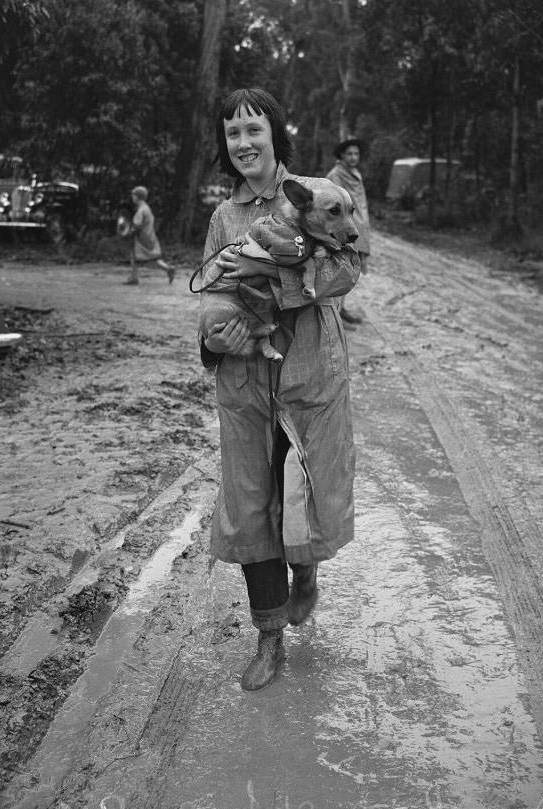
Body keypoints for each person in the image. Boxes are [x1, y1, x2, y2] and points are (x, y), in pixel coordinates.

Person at [198, 88, 361, 691]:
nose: (243, 143)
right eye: (232, 133)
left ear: (274, 136)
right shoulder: (224, 216)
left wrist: (284, 280)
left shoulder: (318, 195)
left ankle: (308, 571)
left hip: (309, 377)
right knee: (251, 503)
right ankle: (268, 639)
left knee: (304, 496)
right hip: (246, 380)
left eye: (254, 131)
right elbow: (213, 287)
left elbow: (346, 267)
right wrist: (216, 337)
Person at [326, 137, 370, 325]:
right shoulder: (335, 176)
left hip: (360, 226)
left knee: (351, 270)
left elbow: (361, 204)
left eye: (356, 153)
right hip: (344, 229)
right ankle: (334, 316)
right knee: (340, 270)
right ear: (341, 156)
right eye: (349, 154)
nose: (353, 157)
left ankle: (341, 309)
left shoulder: (355, 174)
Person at [124, 186, 174, 285]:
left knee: (134, 256)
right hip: (149, 237)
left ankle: (134, 278)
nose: (132, 197)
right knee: (154, 258)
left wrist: (127, 232)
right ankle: (168, 269)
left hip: (142, 238)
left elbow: (137, 225)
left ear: (137, 197)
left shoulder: (141, 210)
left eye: (133, 195)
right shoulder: (146, 208)